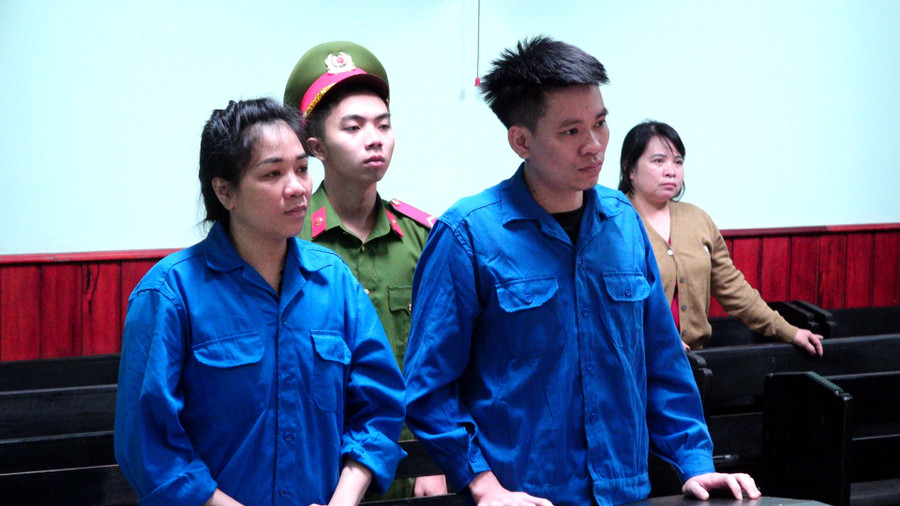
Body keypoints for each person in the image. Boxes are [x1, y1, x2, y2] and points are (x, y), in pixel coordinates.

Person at [402, 36, 762, 506]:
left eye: (600, 123)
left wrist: (695, 464)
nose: (594, 146)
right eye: (571, 131)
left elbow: (662, 360)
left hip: (624, 491)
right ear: (521, 141)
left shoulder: (623, 222)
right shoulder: (468, 235)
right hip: (521, 496)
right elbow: (428, 387)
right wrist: (485, 486)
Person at [114, 98, 406, 506]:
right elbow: (150, 445)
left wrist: (344, 499)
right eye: (273, 173)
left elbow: (379, 407)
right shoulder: (169, 294)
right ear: (225, 191)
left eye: (302, 169)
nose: (298, 188)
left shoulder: (334, 282)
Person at [283, 41, 445, 498]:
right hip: (317, 466)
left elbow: (440, 362)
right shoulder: (290, 241)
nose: (374, 138)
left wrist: (434, 458)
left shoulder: (423, 239)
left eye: (383, 125)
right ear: (316, 147)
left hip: (411, 464)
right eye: (353, 127)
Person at [618, 120, 824, 356]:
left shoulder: (698, 219)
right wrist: (657, 341)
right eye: (658, 161)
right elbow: (605, 304)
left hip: (693, 359)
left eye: (678, 162)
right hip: (633, 360)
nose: (671, 170)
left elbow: (733, 288)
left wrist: (790, 332)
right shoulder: (613, 223)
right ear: (630, 169)